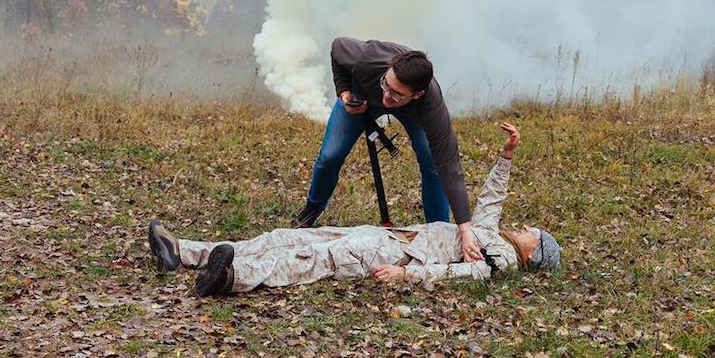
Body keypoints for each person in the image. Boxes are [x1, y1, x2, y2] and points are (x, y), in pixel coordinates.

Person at [147, 123, 560, 297]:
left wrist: (406, 275)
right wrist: (506, 156)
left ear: (534, 251)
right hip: (394, 237)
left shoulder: (501, 259)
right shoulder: (494, 236)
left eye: (533, 232)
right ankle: (182, 251)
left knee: (316, 258)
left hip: (398, 254)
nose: (527, 227)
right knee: (288, 237)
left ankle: (232, 279)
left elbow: (459, 273)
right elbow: (491, 198)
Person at [293, 37, 483, 263]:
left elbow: (449, 166)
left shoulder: (431, 106)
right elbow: (336, 46)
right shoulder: (366, 58)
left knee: (432, 164)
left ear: (417, 94)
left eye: (396, 93)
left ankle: (437, 228)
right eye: (386, 84)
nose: (386, 95)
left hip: (411, 113)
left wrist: (464, 229)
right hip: (361, 96)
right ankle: (313, 208)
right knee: (330, 156)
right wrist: (344, 92)